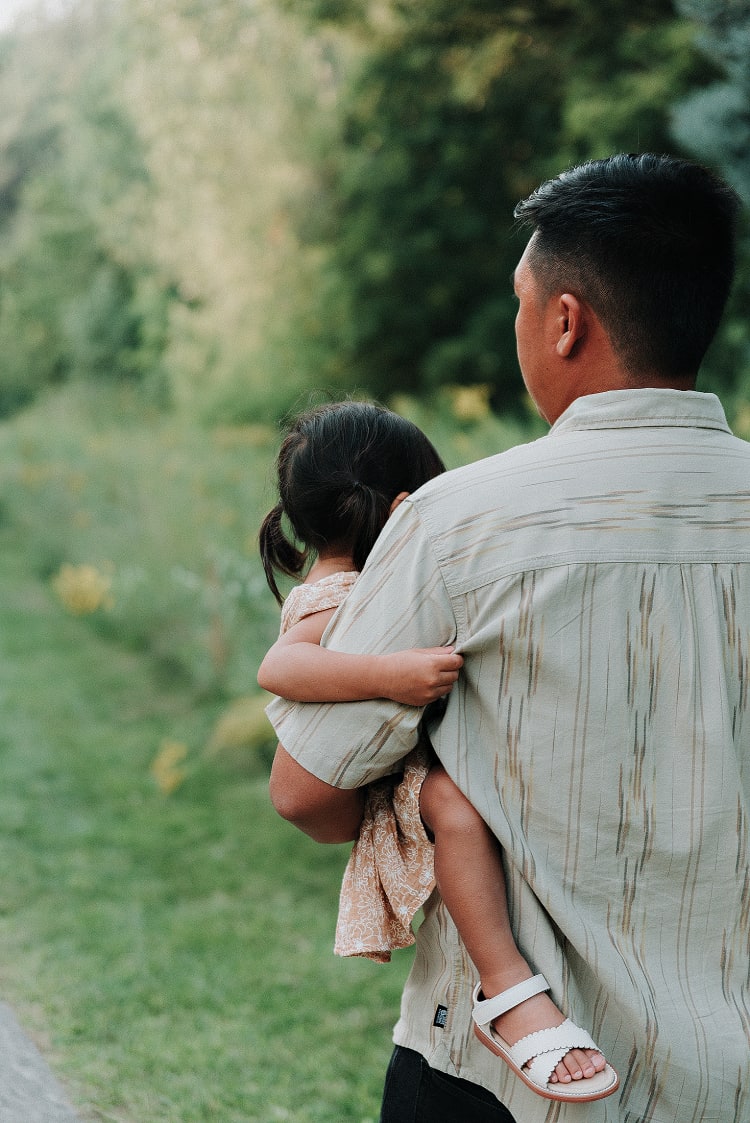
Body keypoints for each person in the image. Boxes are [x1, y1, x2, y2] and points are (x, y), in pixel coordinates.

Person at [267, 153, 750, 1123]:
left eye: (522, 302)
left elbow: (309, 796)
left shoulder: (461, 522)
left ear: (565, 320)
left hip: (503, 1079)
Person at [258, 400, 615, 1101]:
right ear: (402, 509)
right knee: (454, 804)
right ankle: (505, 985)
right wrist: (388, 674)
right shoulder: (336, 591)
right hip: (401, 779)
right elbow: (280, 667)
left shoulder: (349, 578)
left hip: (398, 763)